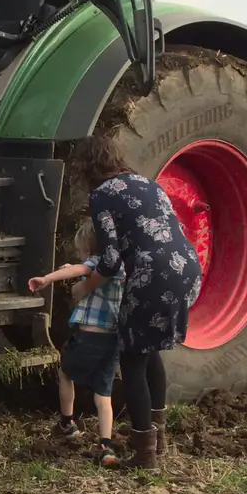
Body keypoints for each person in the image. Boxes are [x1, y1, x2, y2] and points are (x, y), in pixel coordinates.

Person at [66, 136, 202, 470]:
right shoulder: (147, 183)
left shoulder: (102, 196)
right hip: (187, 268)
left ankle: (145, 455)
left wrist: (85, 287)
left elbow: (110, 260)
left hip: (151, 277)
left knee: (132, 360)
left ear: (86, 168)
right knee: (149, 349)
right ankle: (160, 437)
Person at [29, 218, 124, 467]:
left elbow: (80, 271)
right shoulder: (121, 267)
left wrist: (47, 278)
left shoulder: (96, 262)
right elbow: (84, 271)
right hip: (113, 339)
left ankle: (67, 423)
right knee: (104, 394)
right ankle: (106, 445)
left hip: (89, 338)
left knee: (65, 373)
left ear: (90, 249)